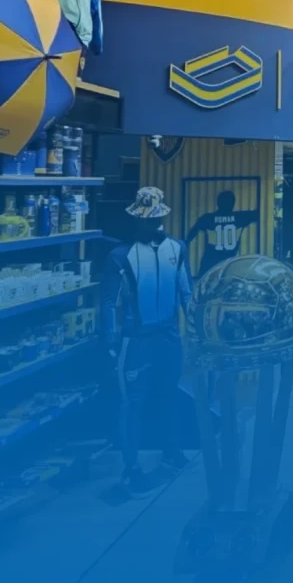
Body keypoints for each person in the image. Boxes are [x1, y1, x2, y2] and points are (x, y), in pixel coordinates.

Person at [101, 187, 192, 496]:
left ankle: (172, 451)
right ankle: (132, 467)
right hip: (136, 340)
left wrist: (196, 330)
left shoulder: (177, 249)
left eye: (154, 219)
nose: (150, 224)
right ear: (135, 219)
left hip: (169, 336)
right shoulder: (120, 255)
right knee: (133, 404)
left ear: (161, 217)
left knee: (170, 395)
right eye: (144, 220)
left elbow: (187, 292)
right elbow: (109, 302)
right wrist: (110, 341)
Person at [186, 190, 259, 278]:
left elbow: (192, 232)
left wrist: (184, 245)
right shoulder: (241, 217)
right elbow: (259, 213)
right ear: (233, 203)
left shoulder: (208, 218)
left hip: (209, 262)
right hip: (229, 262)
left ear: (218, 203)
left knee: (203, 281)